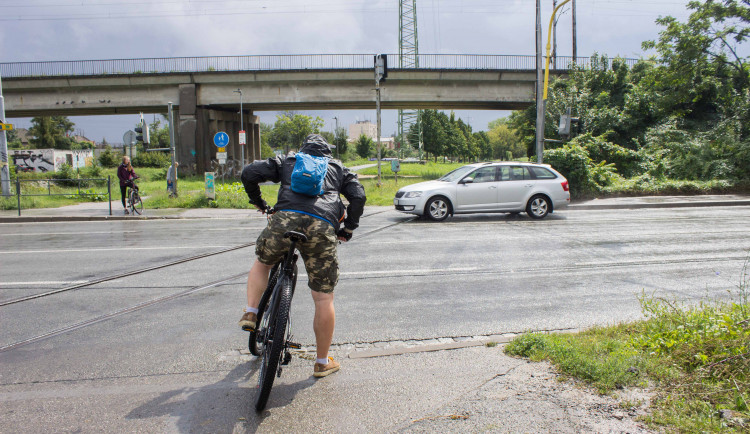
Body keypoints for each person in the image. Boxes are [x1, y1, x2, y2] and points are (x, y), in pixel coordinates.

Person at [239, 134, 366, 378]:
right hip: (321, 226)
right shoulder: (339, 168)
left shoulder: (288, 161)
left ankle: (251, 312)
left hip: (284, 219)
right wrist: (348, 228)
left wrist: (259, 201)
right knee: (323, 298)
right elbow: (358, 196)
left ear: (303, 149)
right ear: (328, 153)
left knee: (263, 262)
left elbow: (249, 173)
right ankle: (321, 362)